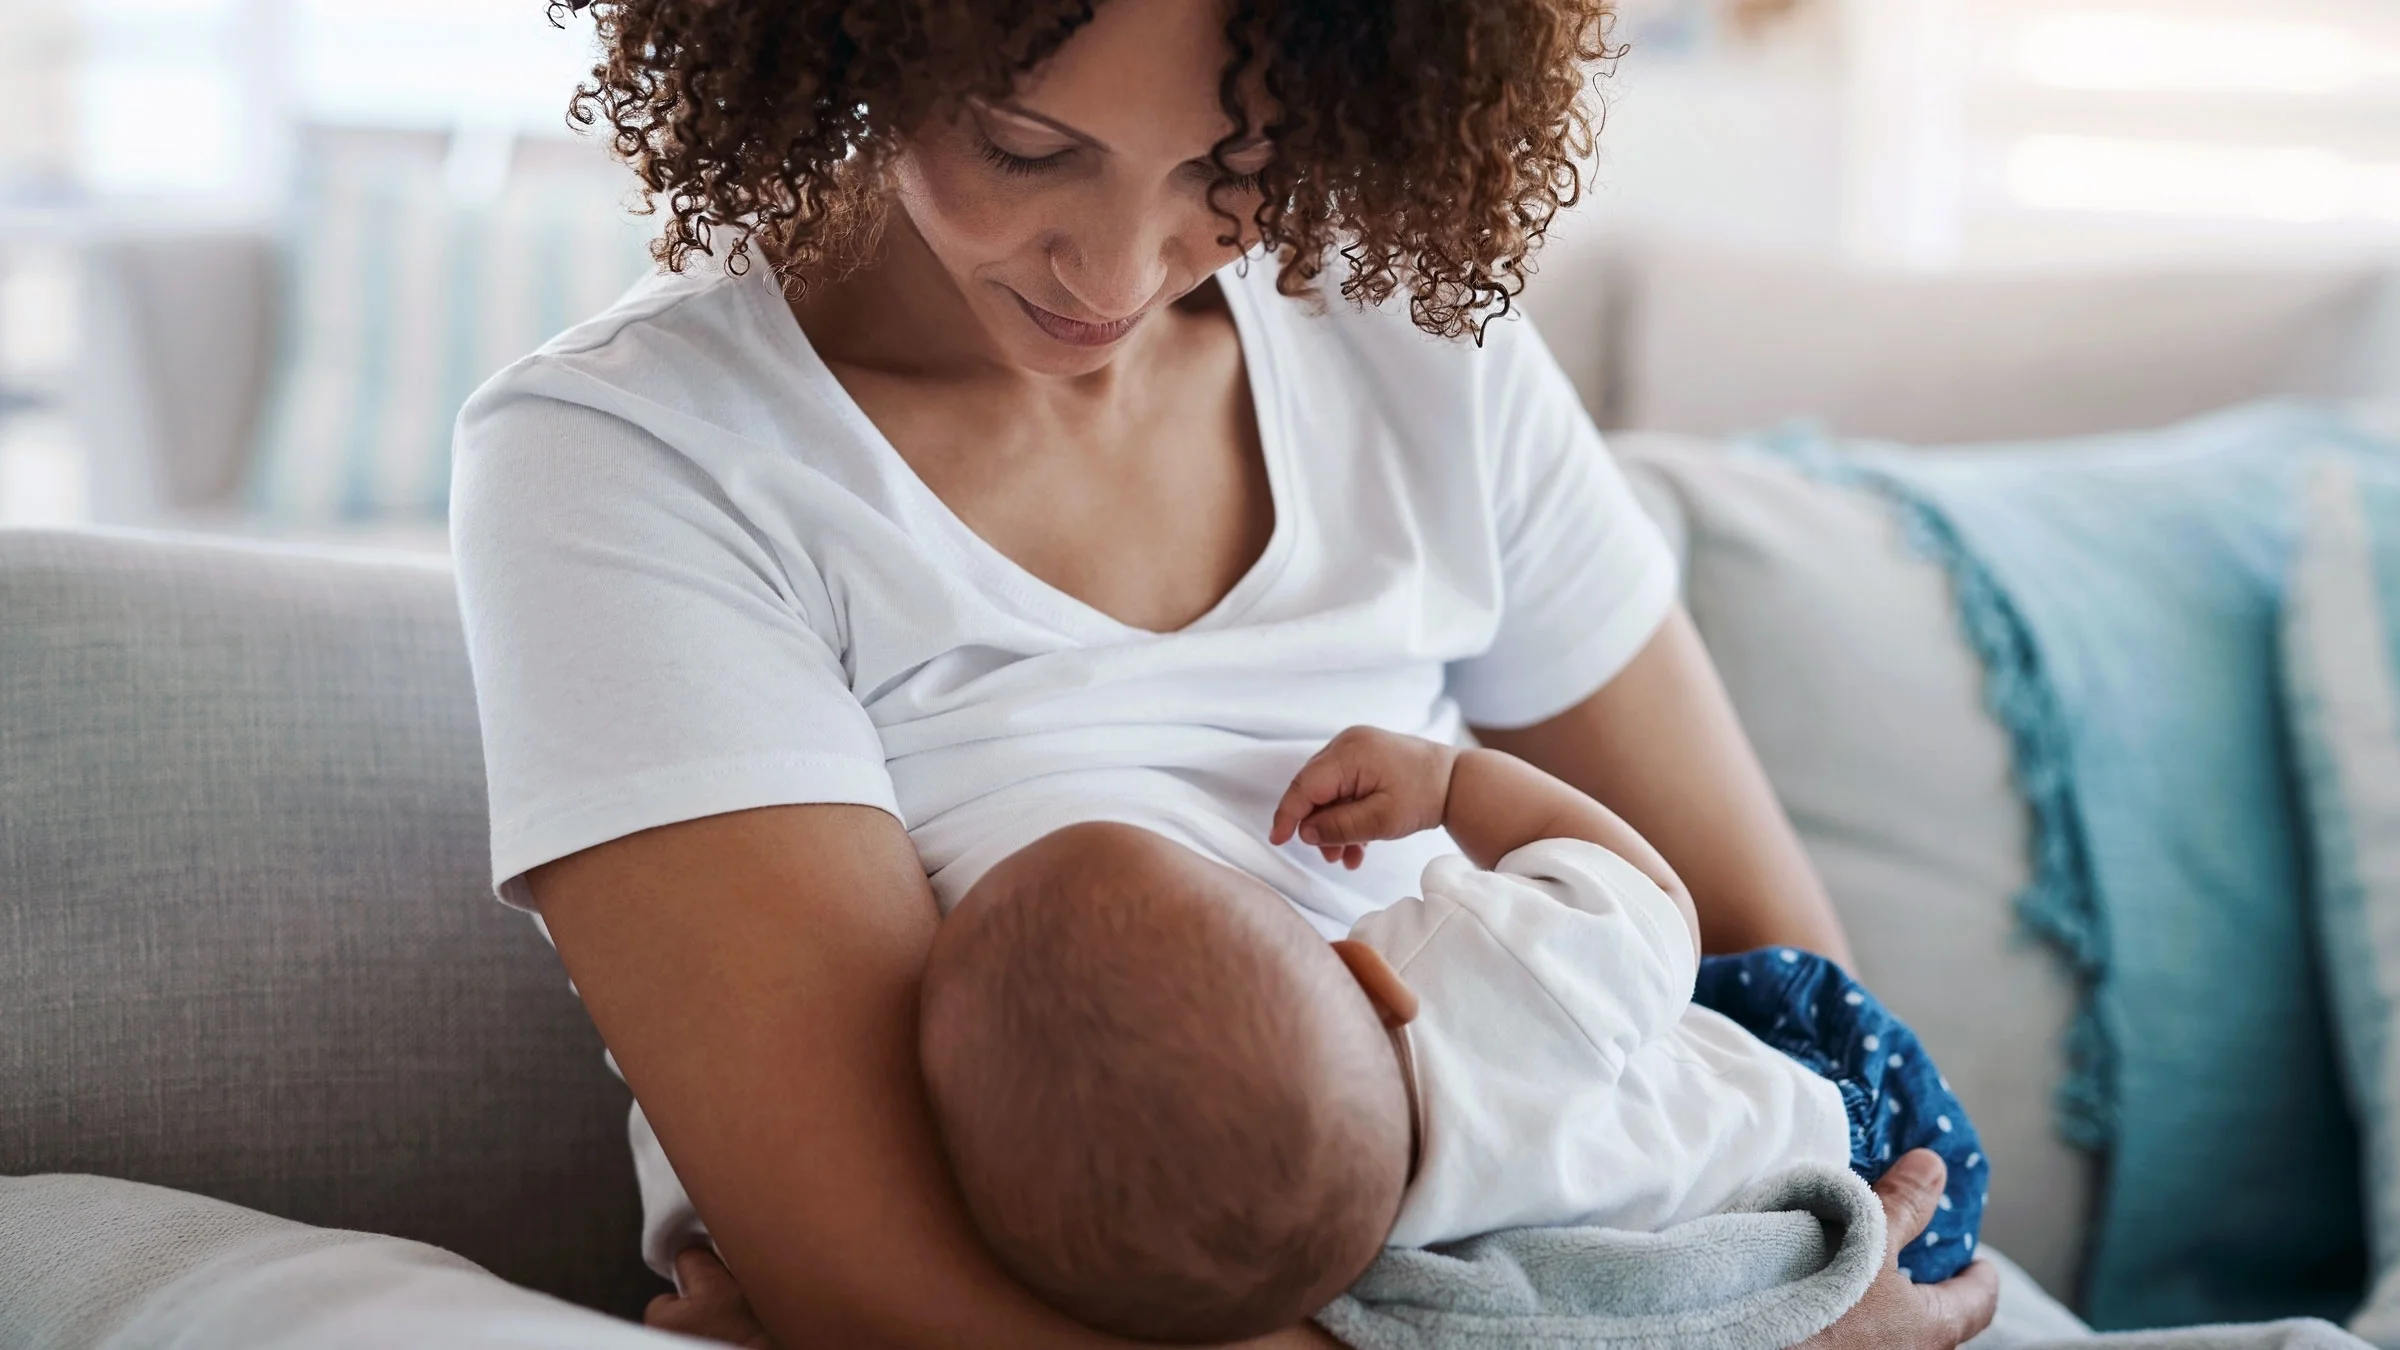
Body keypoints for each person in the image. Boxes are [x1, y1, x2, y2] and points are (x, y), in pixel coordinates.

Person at [454, 0, 2002, 1345]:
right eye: (1022, 143)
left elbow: (1784, 988)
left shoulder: (1413, 347)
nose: (1117, 266)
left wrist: (1745, 1298)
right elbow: (887, 1291)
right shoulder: (634, 457)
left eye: (1232, 168)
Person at [917, 728, 1983, 1343]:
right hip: (1851, 1124)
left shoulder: (1361, 1283)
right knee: (1729, 989)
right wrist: (1457, 785)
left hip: (1773, 1263)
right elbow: (1655, 900)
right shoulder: (1480, 968)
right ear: (1369, 974)